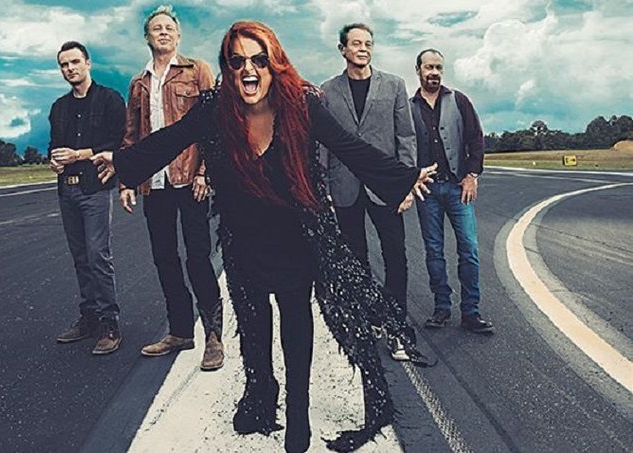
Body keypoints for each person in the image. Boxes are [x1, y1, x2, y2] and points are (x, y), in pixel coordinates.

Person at [93, 22, 435, 453]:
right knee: (254, 330)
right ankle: (261, 397)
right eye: (237, 62)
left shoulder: (301, 104)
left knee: (295, 323)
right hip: (243, 241)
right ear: (227, 68)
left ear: (274, 64)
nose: (248, 70)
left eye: (258, 60)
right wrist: (122, 162)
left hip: (295, 238)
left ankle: (298, 413)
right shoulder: (215, 108)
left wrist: (402, 178)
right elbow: (171, 139)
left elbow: (348, 146)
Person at [121, 5, 224, 370]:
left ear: (178, 35)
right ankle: (180, 331)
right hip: (155, 182)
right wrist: (127, 179)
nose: (163, 32)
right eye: (156, 28)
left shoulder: (197, 71)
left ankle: (213, 336)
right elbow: (132, 136)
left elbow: (214, 124)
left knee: (198, 257)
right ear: (147, 37)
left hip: (190, 179)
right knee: (164, 257)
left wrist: (205, 173)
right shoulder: (138, 83)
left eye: (168, 27)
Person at [320, 23, 417, 361]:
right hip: (344, 185)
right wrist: (324, 187)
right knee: (355, 259)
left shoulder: (394, 85)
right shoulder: (327, 90)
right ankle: (368, 320)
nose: (363, 49)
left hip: (385, 187)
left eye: (368, 44)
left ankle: (397, 328)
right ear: (342, 49)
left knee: (396, 256)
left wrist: (405, 185)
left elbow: (406, 138)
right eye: (356, 43)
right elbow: (322, 142)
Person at [409, 49, 494, 334]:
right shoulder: (408, 107)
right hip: (428, 191)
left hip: (459, 188)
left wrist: (472, 175)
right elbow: (404, 146)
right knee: (434, 251)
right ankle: (441, 308)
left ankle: (471, 312)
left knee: (469, 248)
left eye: (438, 68)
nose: (434, 72)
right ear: (418, 70)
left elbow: (476, 139)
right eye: (428, 67)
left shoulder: (459, 100)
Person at [49, 41, 126, 355]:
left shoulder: (110, 100)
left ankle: (110, 322)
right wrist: (54, 161)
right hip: (66, 190)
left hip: (95, 188)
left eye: (75, 62)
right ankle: (90, 317)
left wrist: (78, 155)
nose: (70, 69)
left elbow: (118, 142)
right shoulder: (59, 107)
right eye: (64, 65)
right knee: (80, 257)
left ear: (88, 63)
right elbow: (54, 145)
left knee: (97, 255)